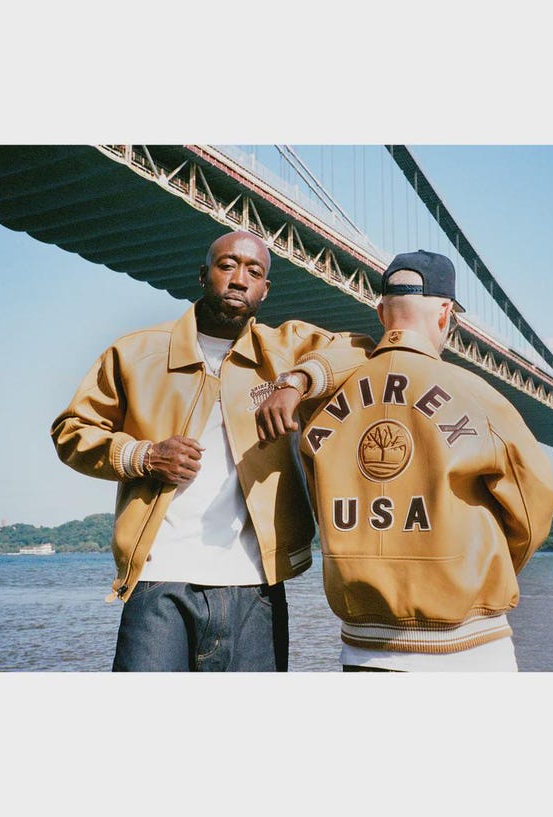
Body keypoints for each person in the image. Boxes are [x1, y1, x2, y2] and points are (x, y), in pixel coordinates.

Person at [51, 230, 373, 672]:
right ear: (204, 275)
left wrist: (296, 382)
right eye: (228, 265)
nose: (239, 278)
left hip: (255, 584)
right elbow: (71, 431)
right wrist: (144, 456)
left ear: (265, 289)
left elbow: (361, 348)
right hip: (159, 580)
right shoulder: (136, 353)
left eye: (254, 271)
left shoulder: (285, 349)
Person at [259, 249, 553, 671]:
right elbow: (532, 510)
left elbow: (318, 503)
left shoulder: (320, 407)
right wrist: (484, 571)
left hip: (364, 649)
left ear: (381, 313)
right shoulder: (478, 395)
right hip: (467, 648)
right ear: (445, 313)